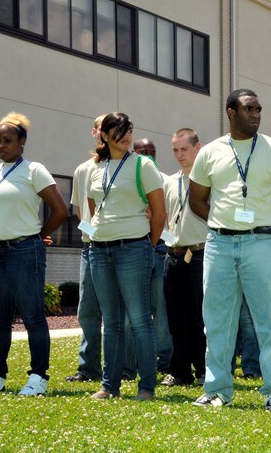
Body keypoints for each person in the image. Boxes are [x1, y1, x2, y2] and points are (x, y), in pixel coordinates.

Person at [189, 89, 271, 411]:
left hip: (262, 244)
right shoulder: (211, 152)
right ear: (230, 112)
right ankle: (217, 390)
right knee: (217, 322)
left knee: (269, 321)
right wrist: (220, 220)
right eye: (249, 108)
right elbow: (196, 199)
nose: (256, 114)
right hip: (220, 245)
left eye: (259, 109)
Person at [0, 112, 68, 396]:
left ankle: (38, 377)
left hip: (24, 252)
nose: (1, 145)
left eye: (8, 140)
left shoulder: (34, 170)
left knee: (32, 317)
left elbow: (61, 210)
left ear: (22, 141)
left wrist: (37, 237)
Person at [87, 112, 167, 401]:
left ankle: (146, 386)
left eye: (129, 129)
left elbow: (159, 212)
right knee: (111, 320)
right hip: (99, 250)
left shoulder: (143, 165)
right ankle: (110, 385)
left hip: (133, 248)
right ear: (104, 136)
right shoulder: (96, 168)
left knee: (140, 319)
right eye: (118, 131)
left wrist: (148, 244)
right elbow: (94, 208)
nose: (125, 135)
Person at [160, 128, 207, 387]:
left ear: (198, 147)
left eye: (184, 149)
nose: (179, 155)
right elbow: (167, 217)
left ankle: (203, 369)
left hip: (200, 253)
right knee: (175, 317)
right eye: (175, 150)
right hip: (174, 254)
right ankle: (179, 371)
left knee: (200, 316)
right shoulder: (170, 181)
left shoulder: (208, 180)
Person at [66, 114, 106, 383]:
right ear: (95, 133)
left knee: (122, 313)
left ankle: (126, 367)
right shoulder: (82, 170)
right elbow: (81, 210)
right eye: (104, 129)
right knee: (88, 310)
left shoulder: (129, 165)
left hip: (121, 248)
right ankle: (88, 367)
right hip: (90, 249)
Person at [132, 138, 173, 374]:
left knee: (161, 307)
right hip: (134, 249)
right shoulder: (128, 178)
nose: (148, 155)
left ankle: (165, 360)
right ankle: (136, 360)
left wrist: (155, 242)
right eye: (142, 152)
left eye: (152, 151)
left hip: (160, 249)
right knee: (136, 309)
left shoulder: (164, 180)